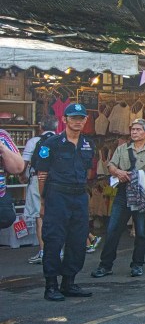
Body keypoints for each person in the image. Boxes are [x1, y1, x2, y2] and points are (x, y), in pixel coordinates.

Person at [32, 104, 88, 302]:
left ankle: (69, 282)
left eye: (81, 117)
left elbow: (86, 171)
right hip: (57, 196)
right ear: (64, 120)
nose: (78, 121)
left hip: (80, 196)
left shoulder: (87, 144)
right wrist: (43, 202)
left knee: (78, 241)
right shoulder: (51, 143)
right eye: (73, 117)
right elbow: (42, 175)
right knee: (54, 240)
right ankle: (51, 285)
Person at [92, 118, 145, 278]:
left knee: (141, 231)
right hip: (123, 192)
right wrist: (118, 172)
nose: (134, 132)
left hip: (142, 191)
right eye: (133, 129)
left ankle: (137, 264)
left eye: (138, 129)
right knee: (112, 229)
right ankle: (105, 265)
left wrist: (132, 175)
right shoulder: (122, 148)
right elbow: (111, 165)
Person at [21, 117, 58, 264]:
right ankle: (57, 250)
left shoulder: (33, 141)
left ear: (40, 126)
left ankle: (43, 251)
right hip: (57, 181)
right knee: (56, 216)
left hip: (37, 179)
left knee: (39, 217)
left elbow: (23, 164)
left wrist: (22, 176)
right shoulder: (61, 140)